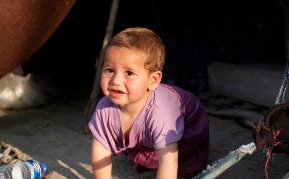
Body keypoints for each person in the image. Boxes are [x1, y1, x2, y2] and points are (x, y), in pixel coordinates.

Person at [88, 27, 209, 178]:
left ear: (153, 80)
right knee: (143, 148)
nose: (115, 81)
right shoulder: (104, 108)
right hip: (147, 133)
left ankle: (152, 157)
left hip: (189, 126)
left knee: (188, 167)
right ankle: (148, 155)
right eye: (110, 70)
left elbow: (168, 160)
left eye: (129, 73)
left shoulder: (161, 114)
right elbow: (100, 150)